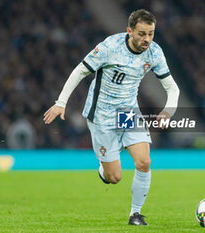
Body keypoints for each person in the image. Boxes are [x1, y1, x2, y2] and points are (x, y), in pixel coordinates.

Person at [43, 9, 179, 225]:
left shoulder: (155, 53)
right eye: (142, 34)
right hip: (102, 116)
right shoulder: (110, 47)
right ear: (129, 31)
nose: (147, 39)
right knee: (114, 178)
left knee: (144, 162)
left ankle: (135, 214)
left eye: (151, 34)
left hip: (127, 113)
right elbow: (81, 70)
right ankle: (104, 167)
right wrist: (61, 103)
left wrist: (168, 111)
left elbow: (172, 88)